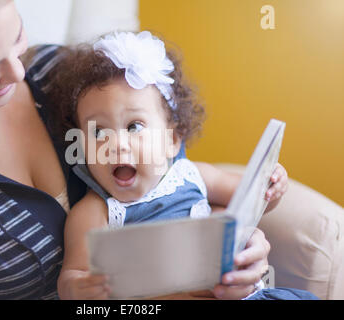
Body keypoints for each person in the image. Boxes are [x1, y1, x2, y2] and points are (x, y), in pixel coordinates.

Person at [0, 0, 273, 300]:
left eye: (17, 38)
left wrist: (241, 247)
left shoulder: (56, 71)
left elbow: (172, 175)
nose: (17, 73)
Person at [44, 31, 289, 300]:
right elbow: (72, 277)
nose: (116, 144)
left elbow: (253, 200)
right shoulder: (96, 212)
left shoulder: (194, 175)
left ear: (172, 140)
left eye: (133, 126)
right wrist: (79, 287)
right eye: (98, 132)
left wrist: (272, 184)